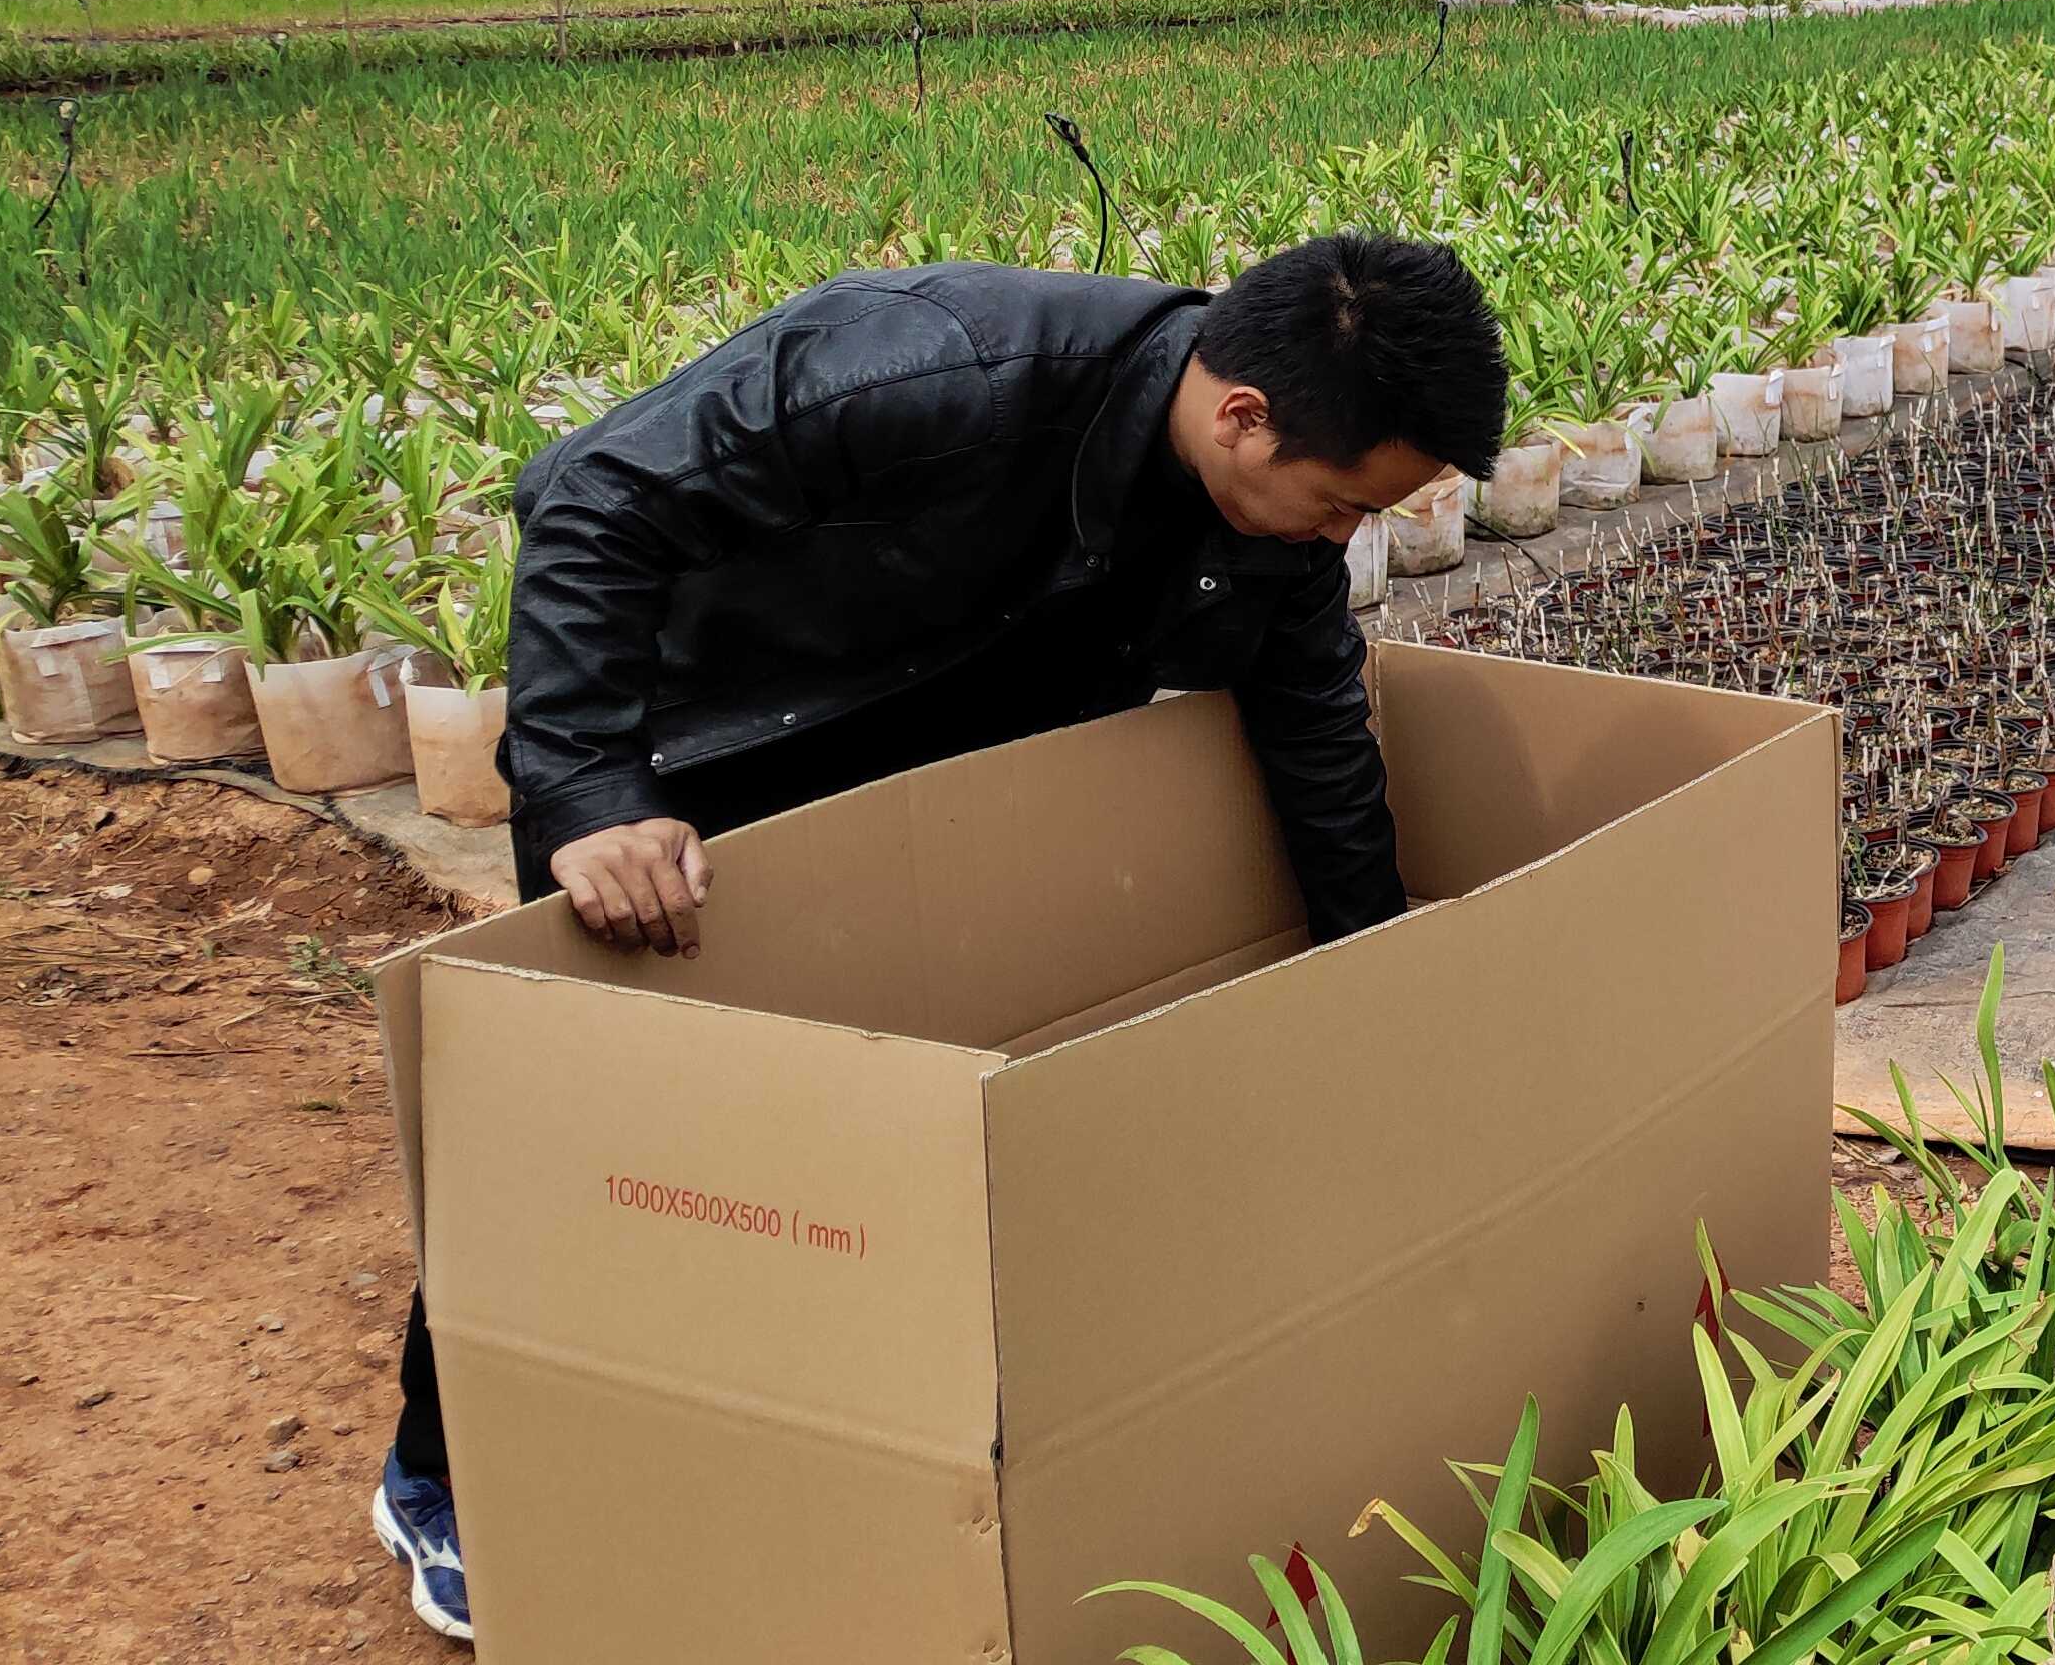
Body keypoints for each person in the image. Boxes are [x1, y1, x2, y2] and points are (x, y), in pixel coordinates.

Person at [367, 236, 1510, 1643]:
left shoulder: (1256, 529)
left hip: (930, 790)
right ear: (1243, 416)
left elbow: (1313, 718)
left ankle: (783, 1432)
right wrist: (589, 786)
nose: (1340, 539)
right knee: (593, 1135)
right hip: (697, 763)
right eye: (1339, 506)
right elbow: (594, 496)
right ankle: (448, 1474)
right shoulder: (932, 365)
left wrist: (1368, 957)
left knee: (852, 1146)